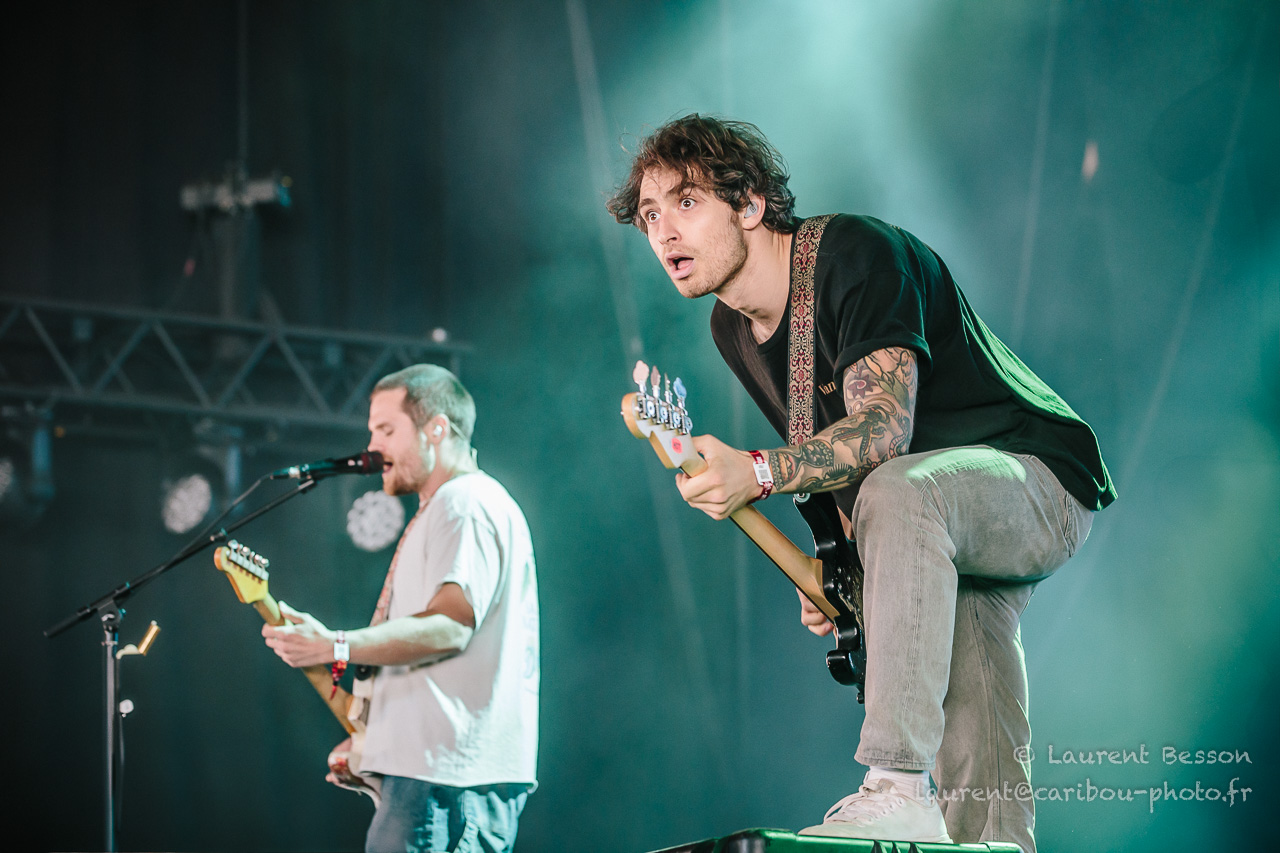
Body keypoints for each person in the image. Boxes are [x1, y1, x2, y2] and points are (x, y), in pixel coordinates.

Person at [607, 115, 1114, 852]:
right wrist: (852, 571)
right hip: (932, 517)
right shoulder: (731, 327)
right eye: (651, 215)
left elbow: (880, 433)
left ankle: (897, 784)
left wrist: (757, 470)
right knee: (984, 801)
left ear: (749, 203)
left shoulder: (855, 254)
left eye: (686, 202)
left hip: (1036, 477)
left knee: (902, 490)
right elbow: (840, 462)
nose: (664, 232)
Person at [262, 364, 539, 853]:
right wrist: (380, 744)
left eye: (387, 430)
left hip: (446, 783)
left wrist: (336, 645)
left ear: (436, 428)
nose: (373, 447)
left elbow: (450, 626)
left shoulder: (464, 502)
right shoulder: (449, 507)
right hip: (435, 778)